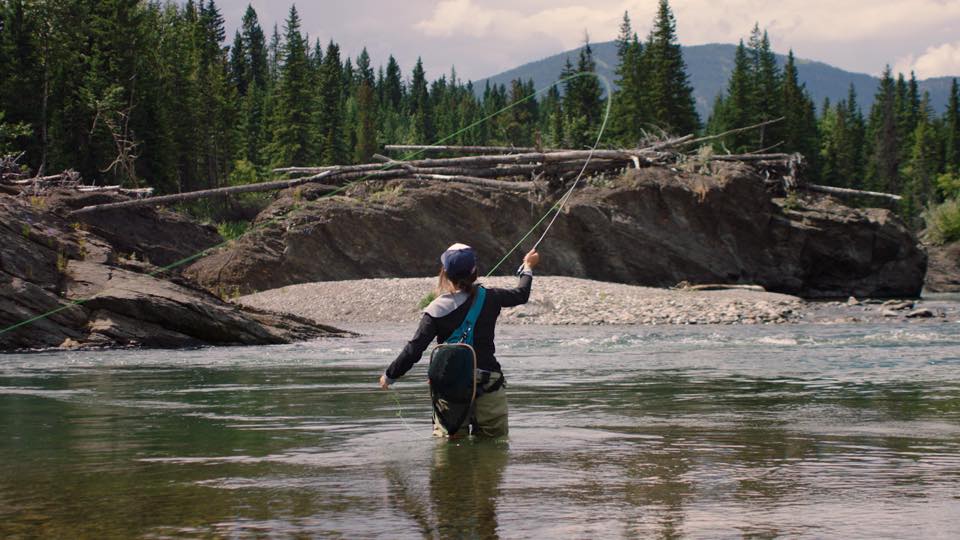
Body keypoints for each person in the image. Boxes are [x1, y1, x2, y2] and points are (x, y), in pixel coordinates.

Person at [379, 243, 540, 438]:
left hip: (450, 387)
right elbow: (521, 294)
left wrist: (390, 376)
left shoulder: (435, 309)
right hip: (489, 383)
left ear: (444, 273)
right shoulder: (491, 297)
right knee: (492, 450)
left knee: (449, 450)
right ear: (475, 272)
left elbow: (415, 349)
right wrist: (528, 267)